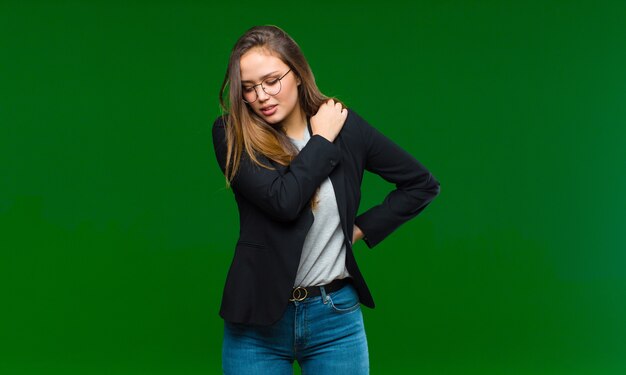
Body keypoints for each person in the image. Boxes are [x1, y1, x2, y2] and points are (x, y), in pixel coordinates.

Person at [212, 25, 440, 375]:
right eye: (248, 88)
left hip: (334, 318)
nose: (261, 95)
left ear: (298, 73)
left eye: (272, 80)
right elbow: (284, 202)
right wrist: (320, 140)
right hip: (256, 322)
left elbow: (421, 184)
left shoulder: (345, 129)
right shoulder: (232, 133)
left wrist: (357, 230)